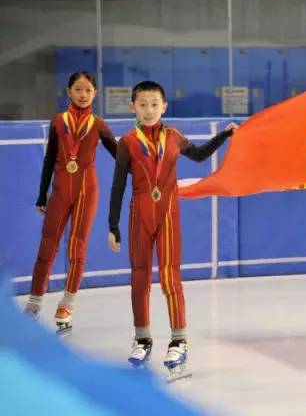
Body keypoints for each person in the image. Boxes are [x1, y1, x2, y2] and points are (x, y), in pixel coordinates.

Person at [108, 80, 236, 381]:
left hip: (167, 214)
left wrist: (225, 135)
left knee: (169, 276)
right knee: (139, 277)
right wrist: (112, 224)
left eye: (154, 104)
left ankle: (179, 340)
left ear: (164, 107)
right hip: (139, 214)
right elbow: (117, 185)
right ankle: (142, 338)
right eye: (142, 104)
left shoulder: (174, 137)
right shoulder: (126, 142)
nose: (149, 110)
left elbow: (201, 155)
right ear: (132, 107)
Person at [24, 70, 117, 335]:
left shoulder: (99, 124)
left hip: (87, 193)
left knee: (77, 248)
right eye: (78, 89)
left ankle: (67, 304)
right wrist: (42, 194)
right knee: (47, 246)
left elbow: (120, 156)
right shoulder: (58, 121)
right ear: (69, 92)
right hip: (60, 191)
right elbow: (49, 159)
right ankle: (34, 302)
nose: (83, 94)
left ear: (95, 93)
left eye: (88, 90)